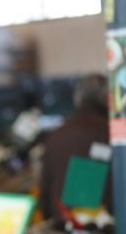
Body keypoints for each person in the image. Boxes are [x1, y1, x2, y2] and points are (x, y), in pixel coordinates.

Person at [39, 74, 111, 222]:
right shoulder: (110, 134)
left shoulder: (56, 135)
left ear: (77, 98)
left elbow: (44, 193)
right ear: (108, 99)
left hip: (62, 225)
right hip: (103, 231)